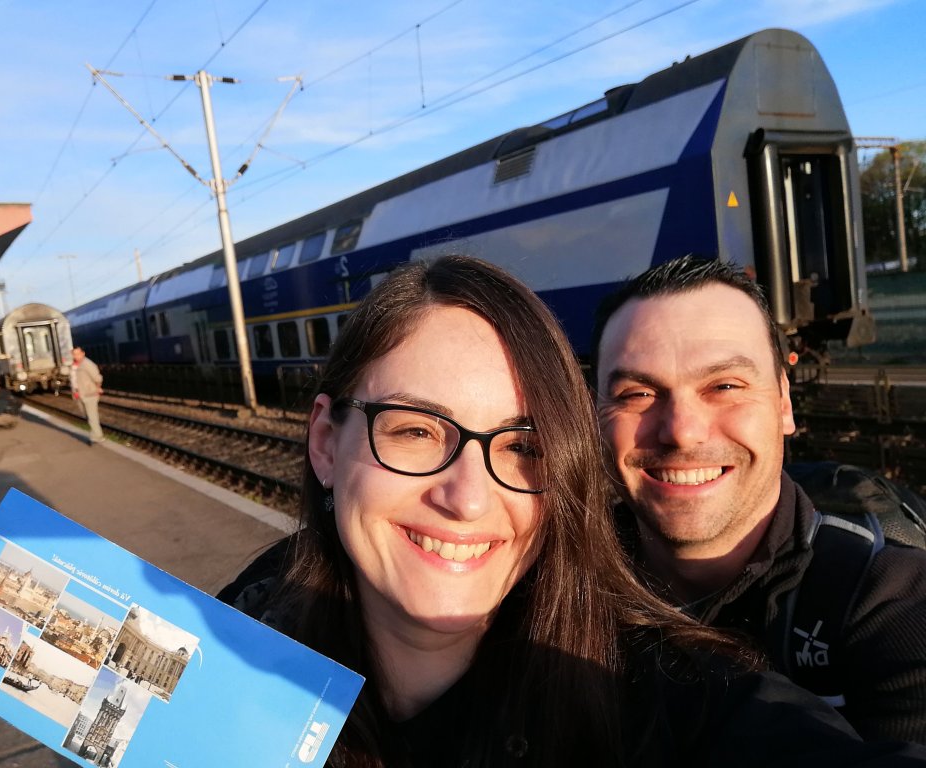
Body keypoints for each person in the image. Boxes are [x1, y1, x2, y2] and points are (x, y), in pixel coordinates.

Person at [219, 255, 926, 767]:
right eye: (414, 430)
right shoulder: (234, 635)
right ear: (325, 442)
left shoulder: (667, 686)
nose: (467, 497)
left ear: (785, 402)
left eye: (521, 445)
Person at [591, 254, 926, 744]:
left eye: (725, 385)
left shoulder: (891, 602)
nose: (682, 431)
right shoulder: (550, 584)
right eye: (637, 394)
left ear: (784, 404)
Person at [70, 347, 104, 444]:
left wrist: (98, 387)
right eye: (74, 354)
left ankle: (97, 436)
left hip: (89, 394)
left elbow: (98, 378)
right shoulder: (73, 365)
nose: (76, 356)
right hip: (79, 394)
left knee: (92, 416)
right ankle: (97, 434)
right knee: (88, 416)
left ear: (83, 353)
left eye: (78, 354)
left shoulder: (87, 364)